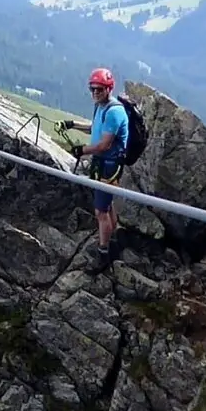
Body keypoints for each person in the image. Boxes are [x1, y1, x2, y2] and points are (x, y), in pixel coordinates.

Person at [60, 68, 129, 267]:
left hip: (109, 166)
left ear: (109, 89)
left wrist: (82, 150)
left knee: (100, 212)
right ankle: (114, 239)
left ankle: (103, 253)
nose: (95, 92)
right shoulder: (101, 107)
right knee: (106, 205)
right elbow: (95, 128)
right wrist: (72, 124)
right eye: (92, 88)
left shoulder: (114, 111)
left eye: (99, 89)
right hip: (103, 163)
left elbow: (104, 145)